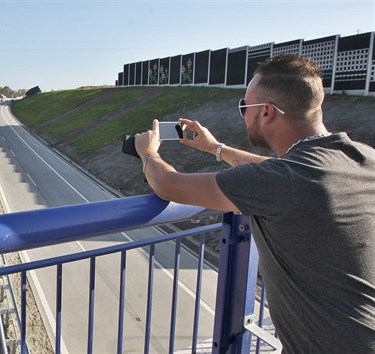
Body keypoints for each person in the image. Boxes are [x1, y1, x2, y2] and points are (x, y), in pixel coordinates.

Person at [134, 54, 375, 353]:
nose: (243, 113)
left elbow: (168, 185)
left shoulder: (282, 181)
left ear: (266, 113)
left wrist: (148, 154)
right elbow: (276, 170)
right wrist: (215, 148)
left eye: (244, 106)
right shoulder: (362, 158)